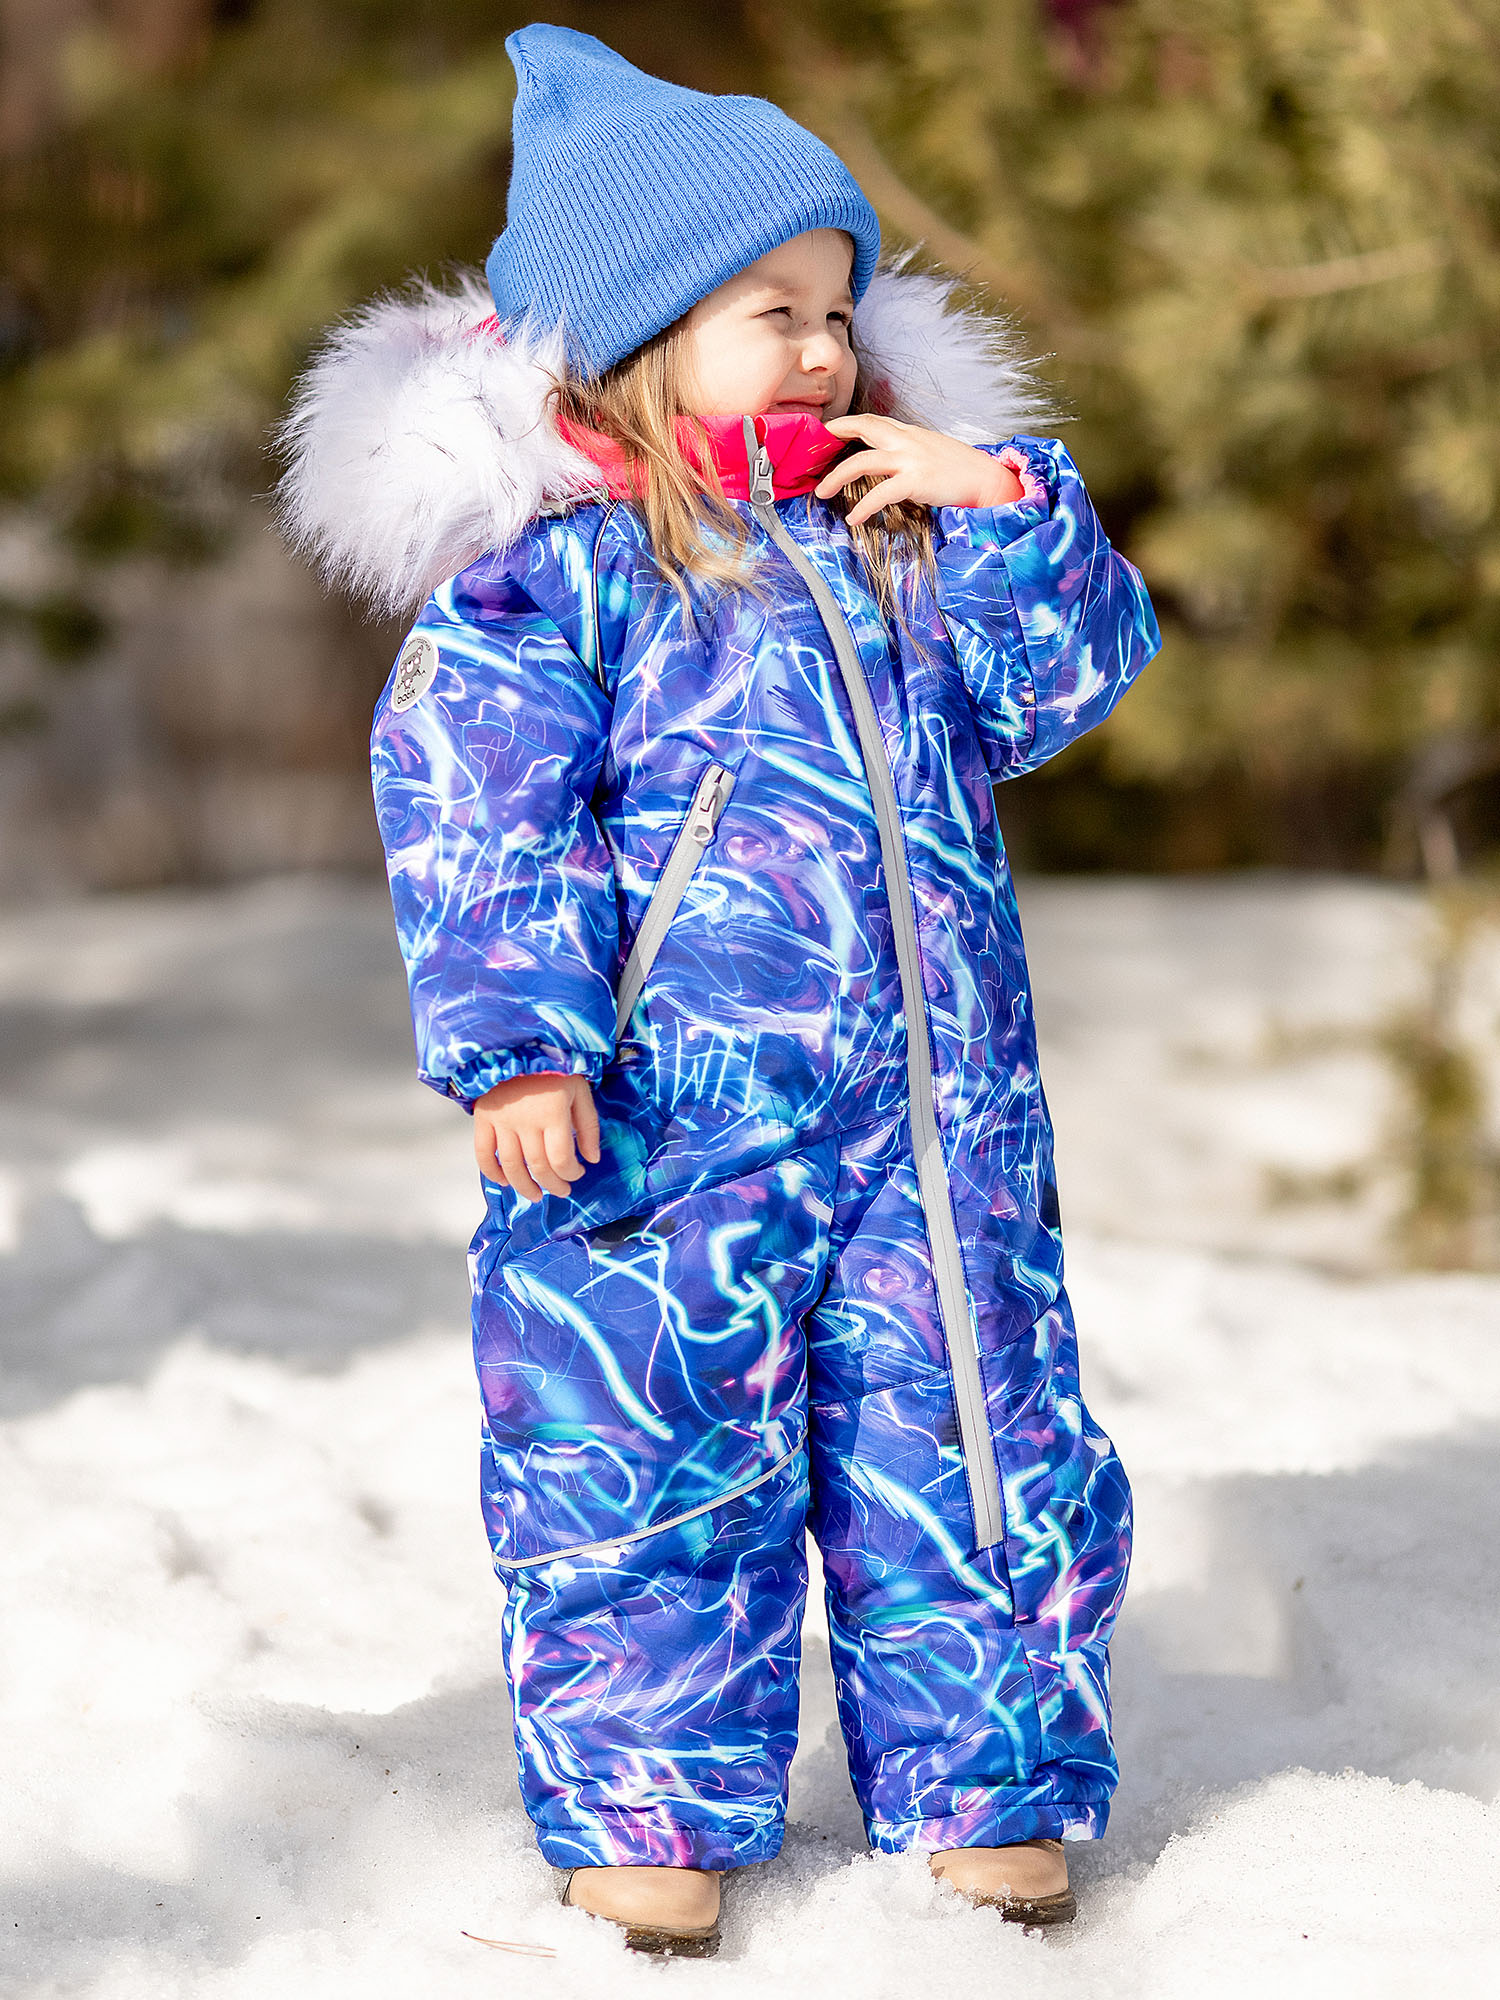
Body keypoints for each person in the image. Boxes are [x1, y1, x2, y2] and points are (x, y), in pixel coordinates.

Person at [281, 23, 1159, 1960]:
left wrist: (999, 501)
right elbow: (476, 804)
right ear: (642, 337)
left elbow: (1061, 692)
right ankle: (649, 1804)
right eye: (777, 313)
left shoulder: (895, 531)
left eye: (842, 311)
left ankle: (994, 1781)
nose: (829, 350)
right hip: (660, 1137)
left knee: (976, 1430)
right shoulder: (559, 578)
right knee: (648, 1457)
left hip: (932, 1129)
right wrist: (519, 1044)